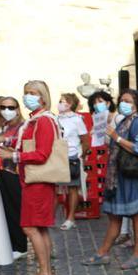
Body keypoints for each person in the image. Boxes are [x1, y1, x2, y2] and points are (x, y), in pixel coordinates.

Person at [0, 80, 58, 275]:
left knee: (30, 227)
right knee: (39, 228)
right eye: (26, 92)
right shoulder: (35, 120)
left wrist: (13, 155)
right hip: (33, 181)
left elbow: (42, 154)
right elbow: (26, 143)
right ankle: (45, 274)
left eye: (33, 93)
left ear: (43, 96)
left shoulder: (44, 121)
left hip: (37, 182)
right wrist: (5, 143)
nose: (28, 96)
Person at [82, 89, 138, 269]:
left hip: (134, 177)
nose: (124, 103)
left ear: (137, 104)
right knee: (114, 217)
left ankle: (137, 255)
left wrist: (116, 137)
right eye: (122, 100)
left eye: (128, 100)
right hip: (119, 178)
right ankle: (103, 253)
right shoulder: (124, 121)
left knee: (137, 216)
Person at [0, 96, 28, 258]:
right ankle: (13, 243)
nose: (7, 111)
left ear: (18, 109)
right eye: (4, 107)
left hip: (15, 172)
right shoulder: (5, 125)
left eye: (11, 107)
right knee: (7, 208)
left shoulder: (23, 126)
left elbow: (24, 148)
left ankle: (21, 246)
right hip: (2, 171)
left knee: (16, 209)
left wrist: (6, 147)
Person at [56, 93, 89, 230]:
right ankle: (52, 217)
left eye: (62, 101)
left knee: (72, 188)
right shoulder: (55, 118)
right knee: (55, 188)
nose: (60, 103)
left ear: (70, 104)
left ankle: (71, 218)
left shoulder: (77, 119)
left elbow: (85, 139)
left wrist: (81, 155)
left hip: (71, 156)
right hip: (57, 156)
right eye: (60, 101)